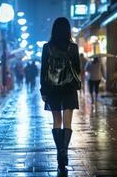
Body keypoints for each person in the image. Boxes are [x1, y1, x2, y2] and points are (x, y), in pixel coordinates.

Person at [40, 17, 80, 175]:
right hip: (69, 89)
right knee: (67, 122)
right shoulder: (73, 48)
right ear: (68, 30)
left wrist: (43, 90)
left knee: (57, 121)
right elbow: (77, 69)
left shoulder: (47, 47)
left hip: (52, 89)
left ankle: (59, 154)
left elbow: (43, 71)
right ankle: (65, 152)